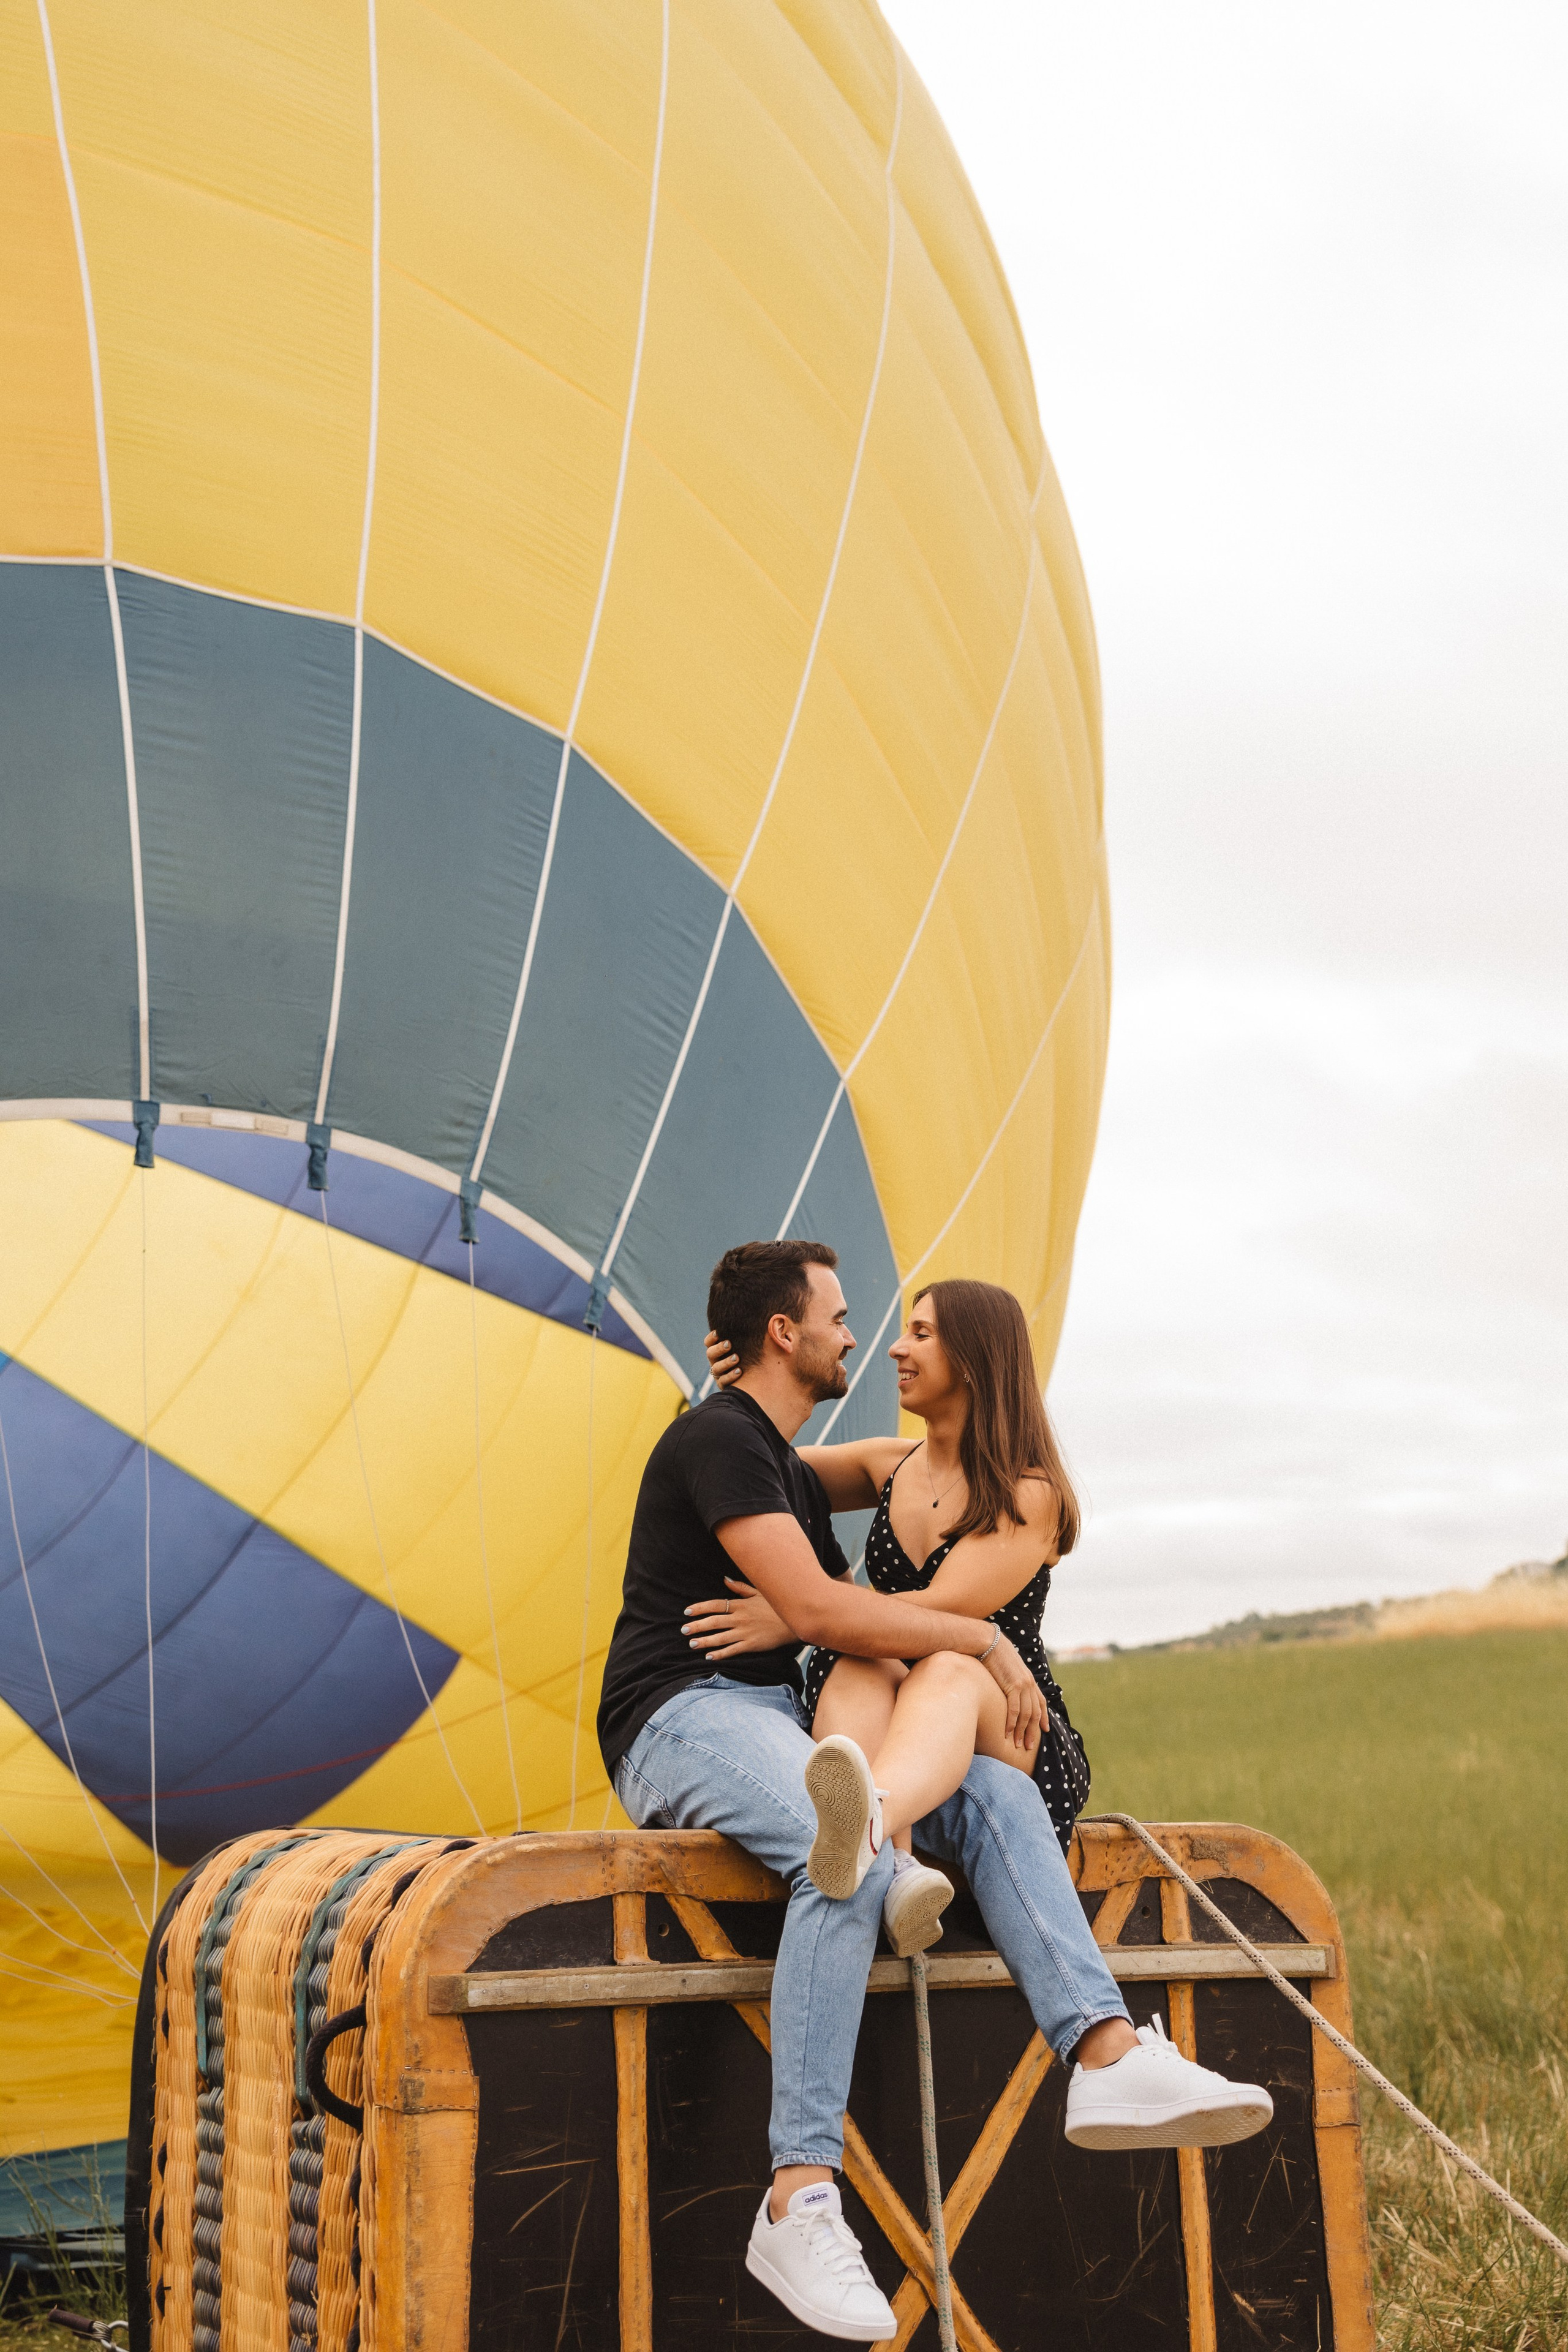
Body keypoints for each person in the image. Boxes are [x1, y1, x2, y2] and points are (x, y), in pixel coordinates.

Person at [597, 1240, 1272, 2343]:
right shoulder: (734, 1441)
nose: (870, 1338)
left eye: (907, 1326)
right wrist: (912, 1631)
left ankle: (1102, 2053)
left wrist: (865, 1623)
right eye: (848, 1316)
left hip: (876, 1725)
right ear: (786, 1332)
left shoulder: (791, 1457)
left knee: (987, 1800)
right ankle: (798, 2194)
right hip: (692, 1715)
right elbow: (821, 1603)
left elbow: (828, 1600)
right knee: (855, 1833)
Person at [687, 1278, 1091, 1964]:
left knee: (944, 1664)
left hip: (1004, 1719)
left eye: (922, 1334)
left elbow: (942, 1612)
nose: (896, 1349)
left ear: (975, 1356)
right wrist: (737, 1389)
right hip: (888, 1701)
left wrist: (797, 1618)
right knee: (857, 1658)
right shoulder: (888, 1464)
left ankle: (867, 1822)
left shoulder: (1033, 1492)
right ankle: (895, 1870)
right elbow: (741, 1464)